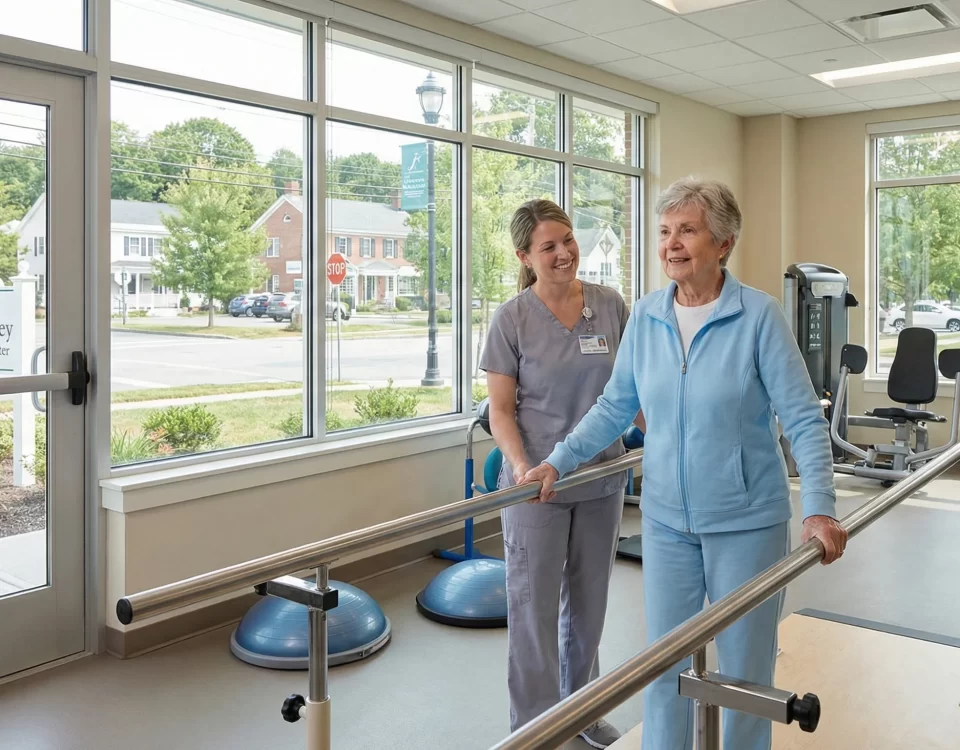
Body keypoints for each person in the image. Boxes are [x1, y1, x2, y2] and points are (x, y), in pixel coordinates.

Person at [522, 178, 848, 750]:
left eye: (687, 231)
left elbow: (802, 418)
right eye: (665, 232)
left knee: (744, 675)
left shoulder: (759, 317)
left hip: (747, 521)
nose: (672, 244)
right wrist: (558, 461)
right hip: (668, 522)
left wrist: (819, 509)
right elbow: (614, 406)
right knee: (664, 667)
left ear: (723, 243)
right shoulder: (647, 316)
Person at [480, 199, 634, 749]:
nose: (565, 253)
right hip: (536, 488)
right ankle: (536, 730)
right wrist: (521, 466)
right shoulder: (512, 318)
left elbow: (633, 391)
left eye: (568, 240)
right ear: (525, 254)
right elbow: (500, 410)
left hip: (601, 477)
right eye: (549, 246)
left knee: (590, 605)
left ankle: (585, 712)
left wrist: (669, 436)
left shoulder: (611, 305)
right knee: (533, 610)